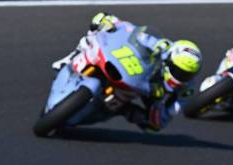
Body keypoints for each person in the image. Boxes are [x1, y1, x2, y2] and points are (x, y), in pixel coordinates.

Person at [52, 12, 202, 132]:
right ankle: (71, 57)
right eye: (178, 70)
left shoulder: (186, 89)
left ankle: (122, 110)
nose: (181, 77)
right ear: (169, 61)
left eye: (185, 74)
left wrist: (160, 112)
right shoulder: (166, 49)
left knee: (153, 125)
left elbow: (170, 113)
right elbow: (140, 35)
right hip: (138, 71)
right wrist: (113, 22)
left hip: (149, 92)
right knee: (92, 35)